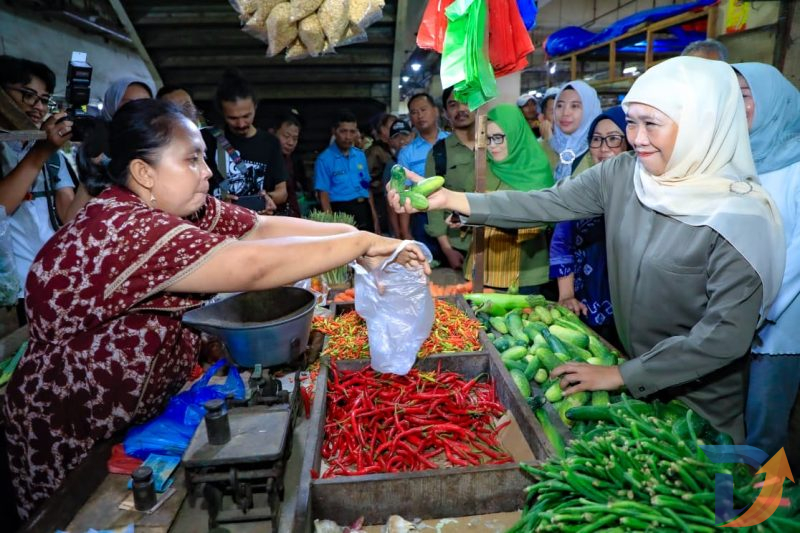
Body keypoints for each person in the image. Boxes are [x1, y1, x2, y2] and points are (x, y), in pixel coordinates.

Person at [3, 99, 428, 520]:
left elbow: (259, 228)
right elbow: (251, 266)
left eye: (204, 159)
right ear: (143, 172)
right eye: (191, 160)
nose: (208, 172)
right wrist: (361, 245)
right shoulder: (123, 227)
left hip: (132, 421)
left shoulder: (171, 207)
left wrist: (358, 237)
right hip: (71, 431)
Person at [390, 56, 785, 442]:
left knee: (711, 501)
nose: (637, 138)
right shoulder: (624, 173)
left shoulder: (740, 215)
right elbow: (546, 203)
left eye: (652, 124)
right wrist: (451, 200)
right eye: (632, 122)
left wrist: (621, 376)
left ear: (704, 125)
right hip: (630, 375)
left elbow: (723, 338)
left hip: (701, 403)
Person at [734, 62, 800, 462]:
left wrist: (761, 304)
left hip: (781, 317)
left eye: (744, 96)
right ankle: (731, 507)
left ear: (771, 100)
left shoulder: (795, 167)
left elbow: (795, 251)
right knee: (735, 420)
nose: (735, 107)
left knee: (766, 423)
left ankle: (771, 514)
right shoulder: (737, 161)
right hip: (737, 312)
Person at [0, 55, 79, 326]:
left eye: (44, 99)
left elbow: (70, 218)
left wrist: (94, 176)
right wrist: (41, 151)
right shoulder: (41, 151)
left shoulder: (54, 157)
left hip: (51, 287)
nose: (38, 107)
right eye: (28, 95)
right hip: (10, 296)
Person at [549, 106, 629, 347]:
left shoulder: (643, 192)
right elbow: (561, 243)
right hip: (585, 298)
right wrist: (567, 295)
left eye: (614, 139)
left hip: (629, 302)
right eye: (596, 140)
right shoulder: (578, 187)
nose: (604, 148)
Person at [460, 104, 554, 292]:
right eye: (487, 139)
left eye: (498, 138)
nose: (492, 146)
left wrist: (493, 215)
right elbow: (469, 205)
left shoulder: (537, 170)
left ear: (515, 135)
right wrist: (461, 217)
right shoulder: (481, 169)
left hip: (524, 273)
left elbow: (543, 220)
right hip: (482, 269)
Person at [202, 69, 287, 215]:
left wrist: (267, 199)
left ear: (255, 107)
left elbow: (282, 192)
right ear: (222, 113)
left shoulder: (269, 142)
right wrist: (219, 202)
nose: (241, 124)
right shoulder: (207, 140)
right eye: (233, 118)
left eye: (247, 116)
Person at [425, 86, 476, 271]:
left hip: (496, 243)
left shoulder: (496, 144)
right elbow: (433, 206)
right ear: (446, 113)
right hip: (458, 245)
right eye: (453, 104)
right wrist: (447, 250)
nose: (461, 109)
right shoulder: (438, 153)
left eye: (467, 102)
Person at [398, 93, 449, 258]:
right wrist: (405, 233)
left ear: (436, 111)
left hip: (453, 213)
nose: (419, 115)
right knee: (427, 268)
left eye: (423, 109)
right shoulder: (407, 153)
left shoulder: (453, 142)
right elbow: (403, 194)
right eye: (414, 112)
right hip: (422, 217)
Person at [314, 110, 379, 232]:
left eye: (352, 132)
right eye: (343, 131)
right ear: (334, 131)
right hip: (341, 212)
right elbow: (323, 196)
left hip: (364, 209)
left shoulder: (360, 155)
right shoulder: (324, 159)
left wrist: (375, 220)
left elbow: (367, 187)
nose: (348, 137)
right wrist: (331, 226)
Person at [545, 80, 601, 181]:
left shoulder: (601, 151)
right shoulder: (544, 147)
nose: (565, 113)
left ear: (589, 110)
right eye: (559, 106)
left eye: (574, 106)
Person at [274, 112, 310, 217]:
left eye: (295, 138)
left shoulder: (291, 159)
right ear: (273, 132)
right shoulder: (266, 158)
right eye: (286, 136)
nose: (290, 142)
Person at [366, 113, 397, 233]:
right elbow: (365, 177)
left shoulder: (393, 148)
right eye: (392, 126)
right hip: (380, 200)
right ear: (382, 129)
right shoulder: (375, 151)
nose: (396, 129)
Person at [383, 119, 414, 239]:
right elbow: (390, 204)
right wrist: (398, 234)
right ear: (390, 142)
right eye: (396, 137)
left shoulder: (416, 160)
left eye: (405, 135)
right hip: (403, 229)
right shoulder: (391, 166)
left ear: (412, 136)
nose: (401, 140)